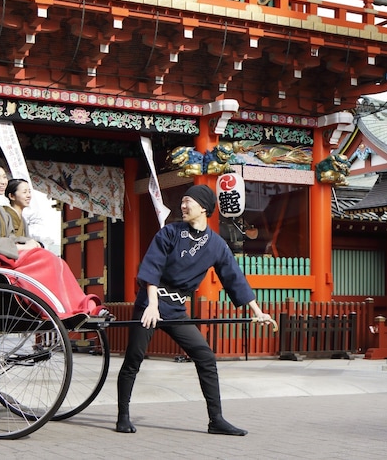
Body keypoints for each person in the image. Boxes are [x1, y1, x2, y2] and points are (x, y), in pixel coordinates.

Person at [115, 184, 275, 437]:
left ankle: (216, 420)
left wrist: (257, 311)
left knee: (206, 357)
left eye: (188, 201)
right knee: (134, 358)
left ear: (204, 208)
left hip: (177, 309)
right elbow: (152, 267)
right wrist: (153, 305)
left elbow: (235, 278)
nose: (183, 205)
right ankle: (123, 416)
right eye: (183, 201)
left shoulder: (217, 245)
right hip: (151, 303)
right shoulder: (169, 233)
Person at [0, 160, 107, 319]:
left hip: (5, 254)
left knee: (55, 261)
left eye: (4, 177)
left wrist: (28, 243)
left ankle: (79, 305)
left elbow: (10, 236)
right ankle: (57, 308)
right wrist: (23, 248)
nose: (3, 181)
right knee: (46, 260)